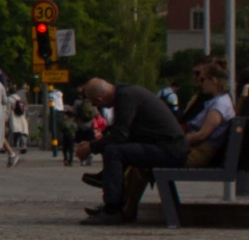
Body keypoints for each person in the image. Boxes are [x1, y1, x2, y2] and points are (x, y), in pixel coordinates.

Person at [77, 75, 188, 225]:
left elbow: (119, 136)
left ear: (100, 99)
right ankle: (108, 185)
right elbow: (124, 132)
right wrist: (95, 143)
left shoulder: (126, 97)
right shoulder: (126, 93)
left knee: (113, 151)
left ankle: (112, 210)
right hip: (169, 147)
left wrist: (90, 148)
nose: (99, 108)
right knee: (114, 148)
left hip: (170, 151)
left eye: (96, 104)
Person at [181, 60, 235, 168]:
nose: (201, 83)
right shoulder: (220, 101)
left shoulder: (220, 105)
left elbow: (202, 135)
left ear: (213, 80)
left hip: (199, 154)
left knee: (149, 160)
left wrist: (180, 140)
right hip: (197, 151)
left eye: (203, 79)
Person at [7, 93, 29, 162]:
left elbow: (7, 110)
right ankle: (24, 146)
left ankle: (6, 147)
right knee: (23, 132)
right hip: (21, 117)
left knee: (11, 131)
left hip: (13, 116)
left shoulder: (9, 99)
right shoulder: (20, 98)